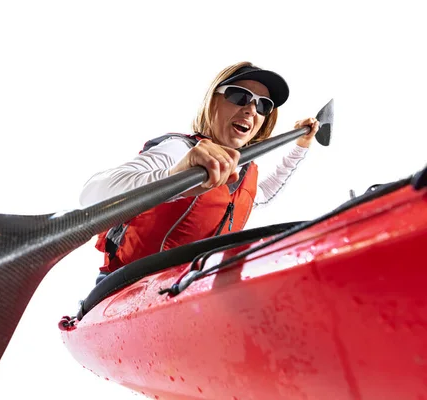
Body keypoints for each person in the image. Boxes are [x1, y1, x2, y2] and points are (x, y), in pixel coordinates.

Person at [79, 61, 320, 282]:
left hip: (190, 288)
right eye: (239, 96)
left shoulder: (243, 169)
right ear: (213, 102)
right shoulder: (179, 150)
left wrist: (301, 147)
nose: (251, 110)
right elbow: (92, 195)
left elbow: (262, 194)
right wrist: (175, 179)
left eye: (263, 105)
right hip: (128, 285)